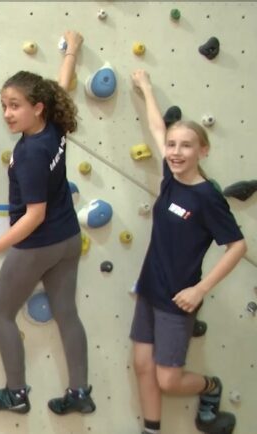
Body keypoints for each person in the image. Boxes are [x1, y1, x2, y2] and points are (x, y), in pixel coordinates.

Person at [0, 31, 95, 415]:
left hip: (40, 243)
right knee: (66, 313)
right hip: (69, 239)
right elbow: (61, 87)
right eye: (4, 106)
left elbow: (34, 214)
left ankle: (15, 393)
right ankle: (79, 393)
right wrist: (71, 52)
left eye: (15, 106)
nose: (7, 113)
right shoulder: (52, 123)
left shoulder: (29, 154)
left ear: (36, 108)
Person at [130, 69, 246, 434]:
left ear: (203, 150)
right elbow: (156, 128)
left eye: (186, 146)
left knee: (168, 379)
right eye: (173, 146)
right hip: (149, 288)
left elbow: (238, 246)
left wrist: (200, 289)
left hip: (178, 300)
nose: (176, 152)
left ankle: (211, 389)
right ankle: (151, 430)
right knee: (143, 365)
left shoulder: (207, 197)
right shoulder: (170, 176)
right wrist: (147, 88)